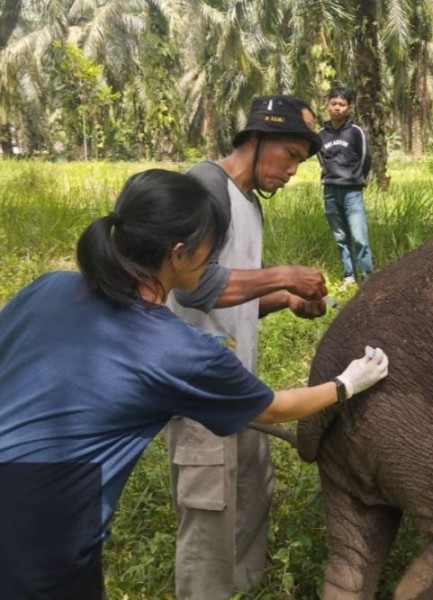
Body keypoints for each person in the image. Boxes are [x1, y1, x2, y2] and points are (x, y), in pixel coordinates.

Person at [0, 169, 389, 600]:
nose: (214, 256)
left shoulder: (49, 287)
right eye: (212, 245)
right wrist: (348, 383)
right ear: (180, 253)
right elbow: (274, 408)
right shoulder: (177, 349)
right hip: (44, 524)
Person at [164, 95, 336, 599]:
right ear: (255, 139)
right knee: (208, 509)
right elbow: (192, 286)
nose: (291, 172)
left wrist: (284, 298)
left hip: (239, 383)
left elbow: (230, 300)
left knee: (252, 490)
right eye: (289, 156)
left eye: (300, 164)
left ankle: (244, 586)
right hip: (199, 387)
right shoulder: (205, 186)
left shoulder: (251, 207)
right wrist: (282, 275)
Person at [318, 85, 374, 288]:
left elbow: (366, 158)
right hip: (330, 191)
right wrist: (330, 177)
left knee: (359, 237)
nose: (337, 108)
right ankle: (349, 276)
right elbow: (321, 160)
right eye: (333, 103)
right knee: (340, 237)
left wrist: (356, 179)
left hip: (352, 192)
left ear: (349, 108)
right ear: (327, 105)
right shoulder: (321, 134)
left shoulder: (356, 132)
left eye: (342, 104)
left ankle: (368, 278)